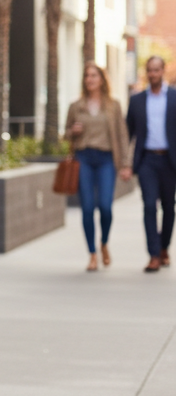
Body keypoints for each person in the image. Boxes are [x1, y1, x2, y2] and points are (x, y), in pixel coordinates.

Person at [64, 63, 131, 271]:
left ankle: (104, 244)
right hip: (83, 158)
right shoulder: (76, 106)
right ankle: (92, 253)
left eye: (94, 75)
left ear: (102, 79)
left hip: (106, 159)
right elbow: (65, 133)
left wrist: (126, 164)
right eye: (87, 76)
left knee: (105, 207)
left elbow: (122, 135)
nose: (90, 79)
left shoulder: (113, 105)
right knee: (86, 208)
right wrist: (72, 131)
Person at [127, 55, 176, 272]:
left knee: (168, 207)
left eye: (156, 70)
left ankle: (164, 247)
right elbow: (127, 132)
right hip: (146, 159)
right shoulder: (137, 100)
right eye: (149, 70)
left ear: (163, 71)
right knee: (148, 206)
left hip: (170, 160)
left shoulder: (174, 97)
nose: (153, 74)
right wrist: (125, 163)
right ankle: (154, 254)